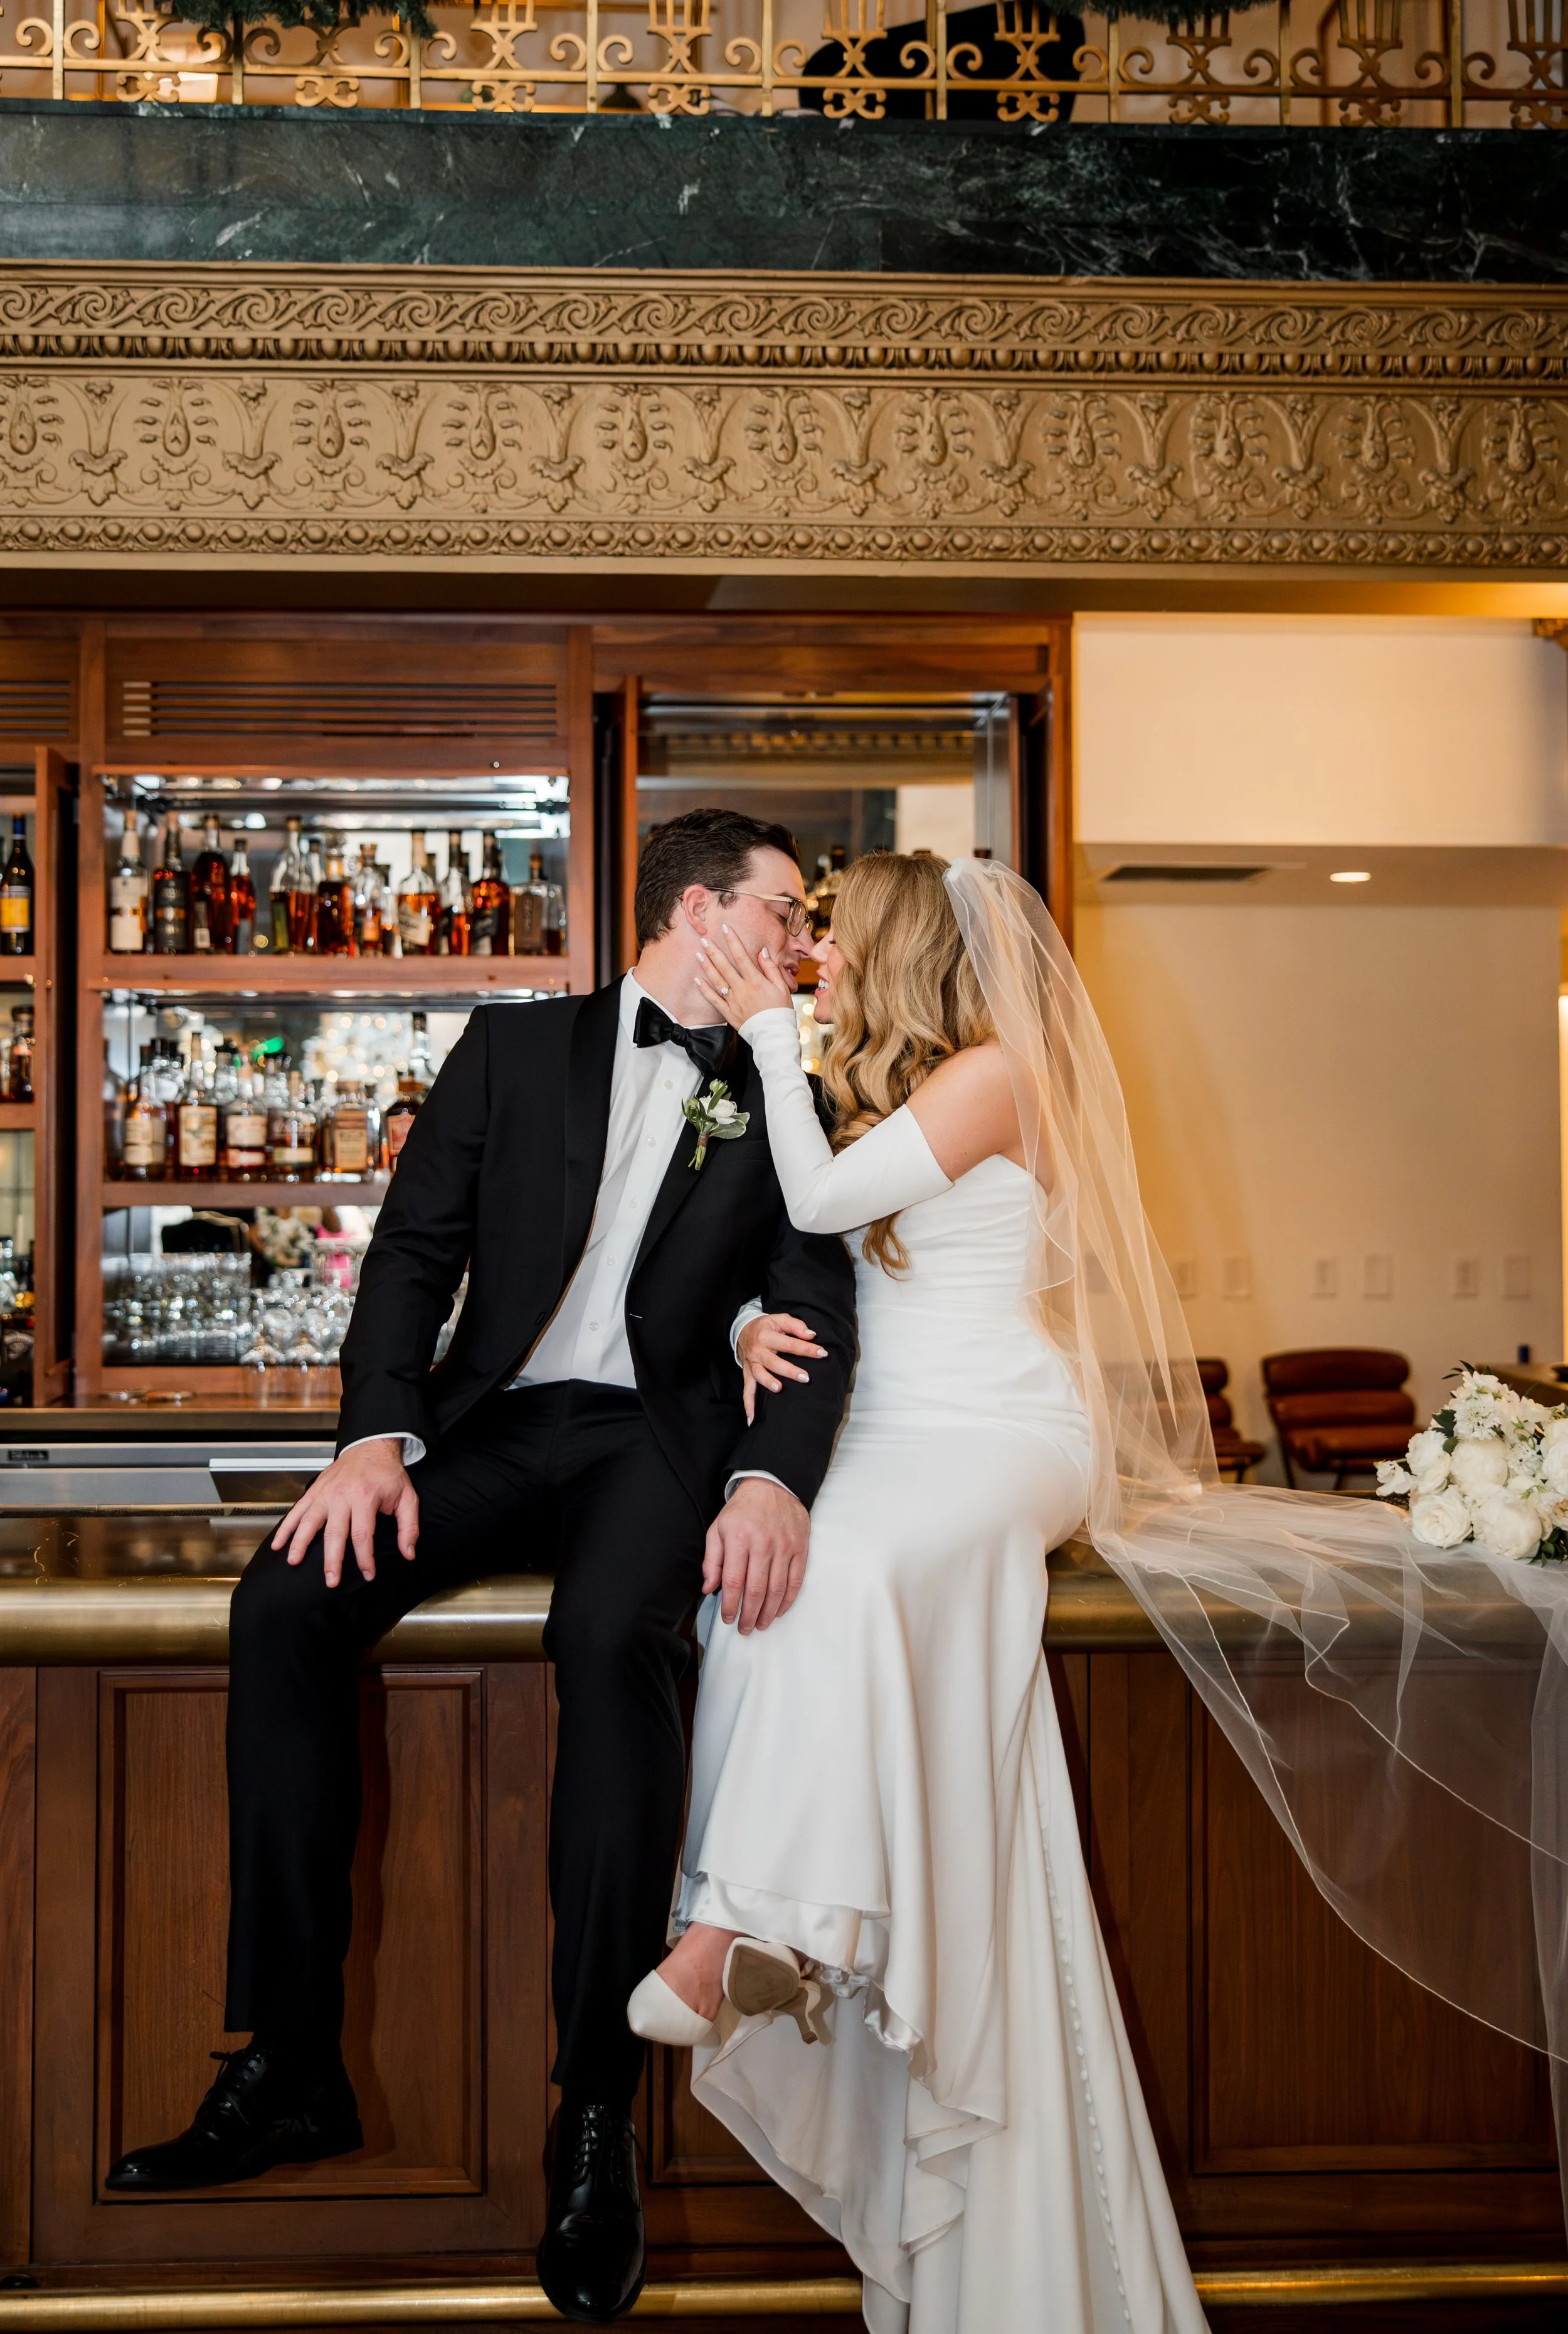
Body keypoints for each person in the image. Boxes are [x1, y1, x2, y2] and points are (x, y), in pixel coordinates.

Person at [103, 809, 857, 2330]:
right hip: (492, 1427)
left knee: (605, 1640)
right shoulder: (511, 1050)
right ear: (699, 914)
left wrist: (772, 1474)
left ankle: (596, 2114)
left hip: (659, 1439)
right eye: (782, 913)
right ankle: (289, 2058)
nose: (803, 944)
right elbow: (411, 1255)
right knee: (286, 1600)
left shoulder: (796, 1081)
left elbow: (815, 1286)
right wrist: (376, 1435)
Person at [626, 851, 1207, 2334]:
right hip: (884, 1427)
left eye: (830, 939)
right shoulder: (885, 1084)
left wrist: (761, 1028)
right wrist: (758, 1317)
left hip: (1003, 1432)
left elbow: (820, 1191)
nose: (808, 957)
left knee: (862, 1561)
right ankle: (768, 1919)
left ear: (892, 947)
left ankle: (738, 1927)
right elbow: (811, 1248)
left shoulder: (993, 1075)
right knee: (772, 1568)